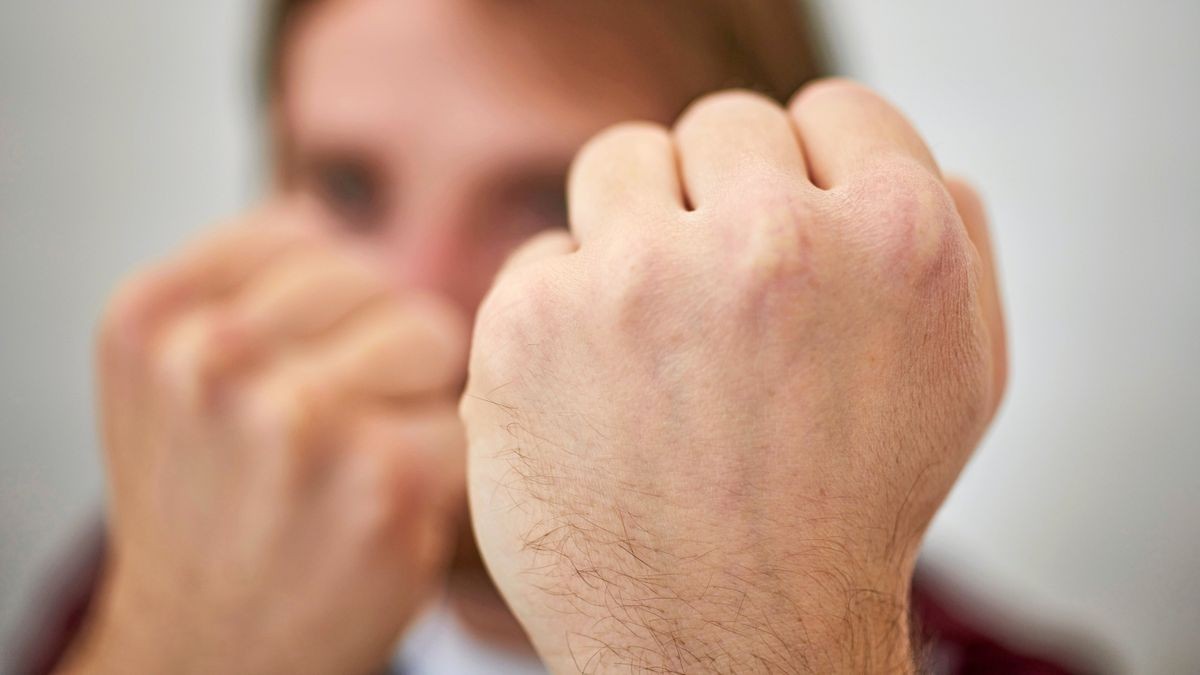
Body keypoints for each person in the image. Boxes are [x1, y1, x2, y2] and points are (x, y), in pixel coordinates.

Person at [10, 0, 1086, 672]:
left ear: (771, 264)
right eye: (346, 185)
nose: (418, 301)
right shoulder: (152, 585)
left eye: (545, 197)